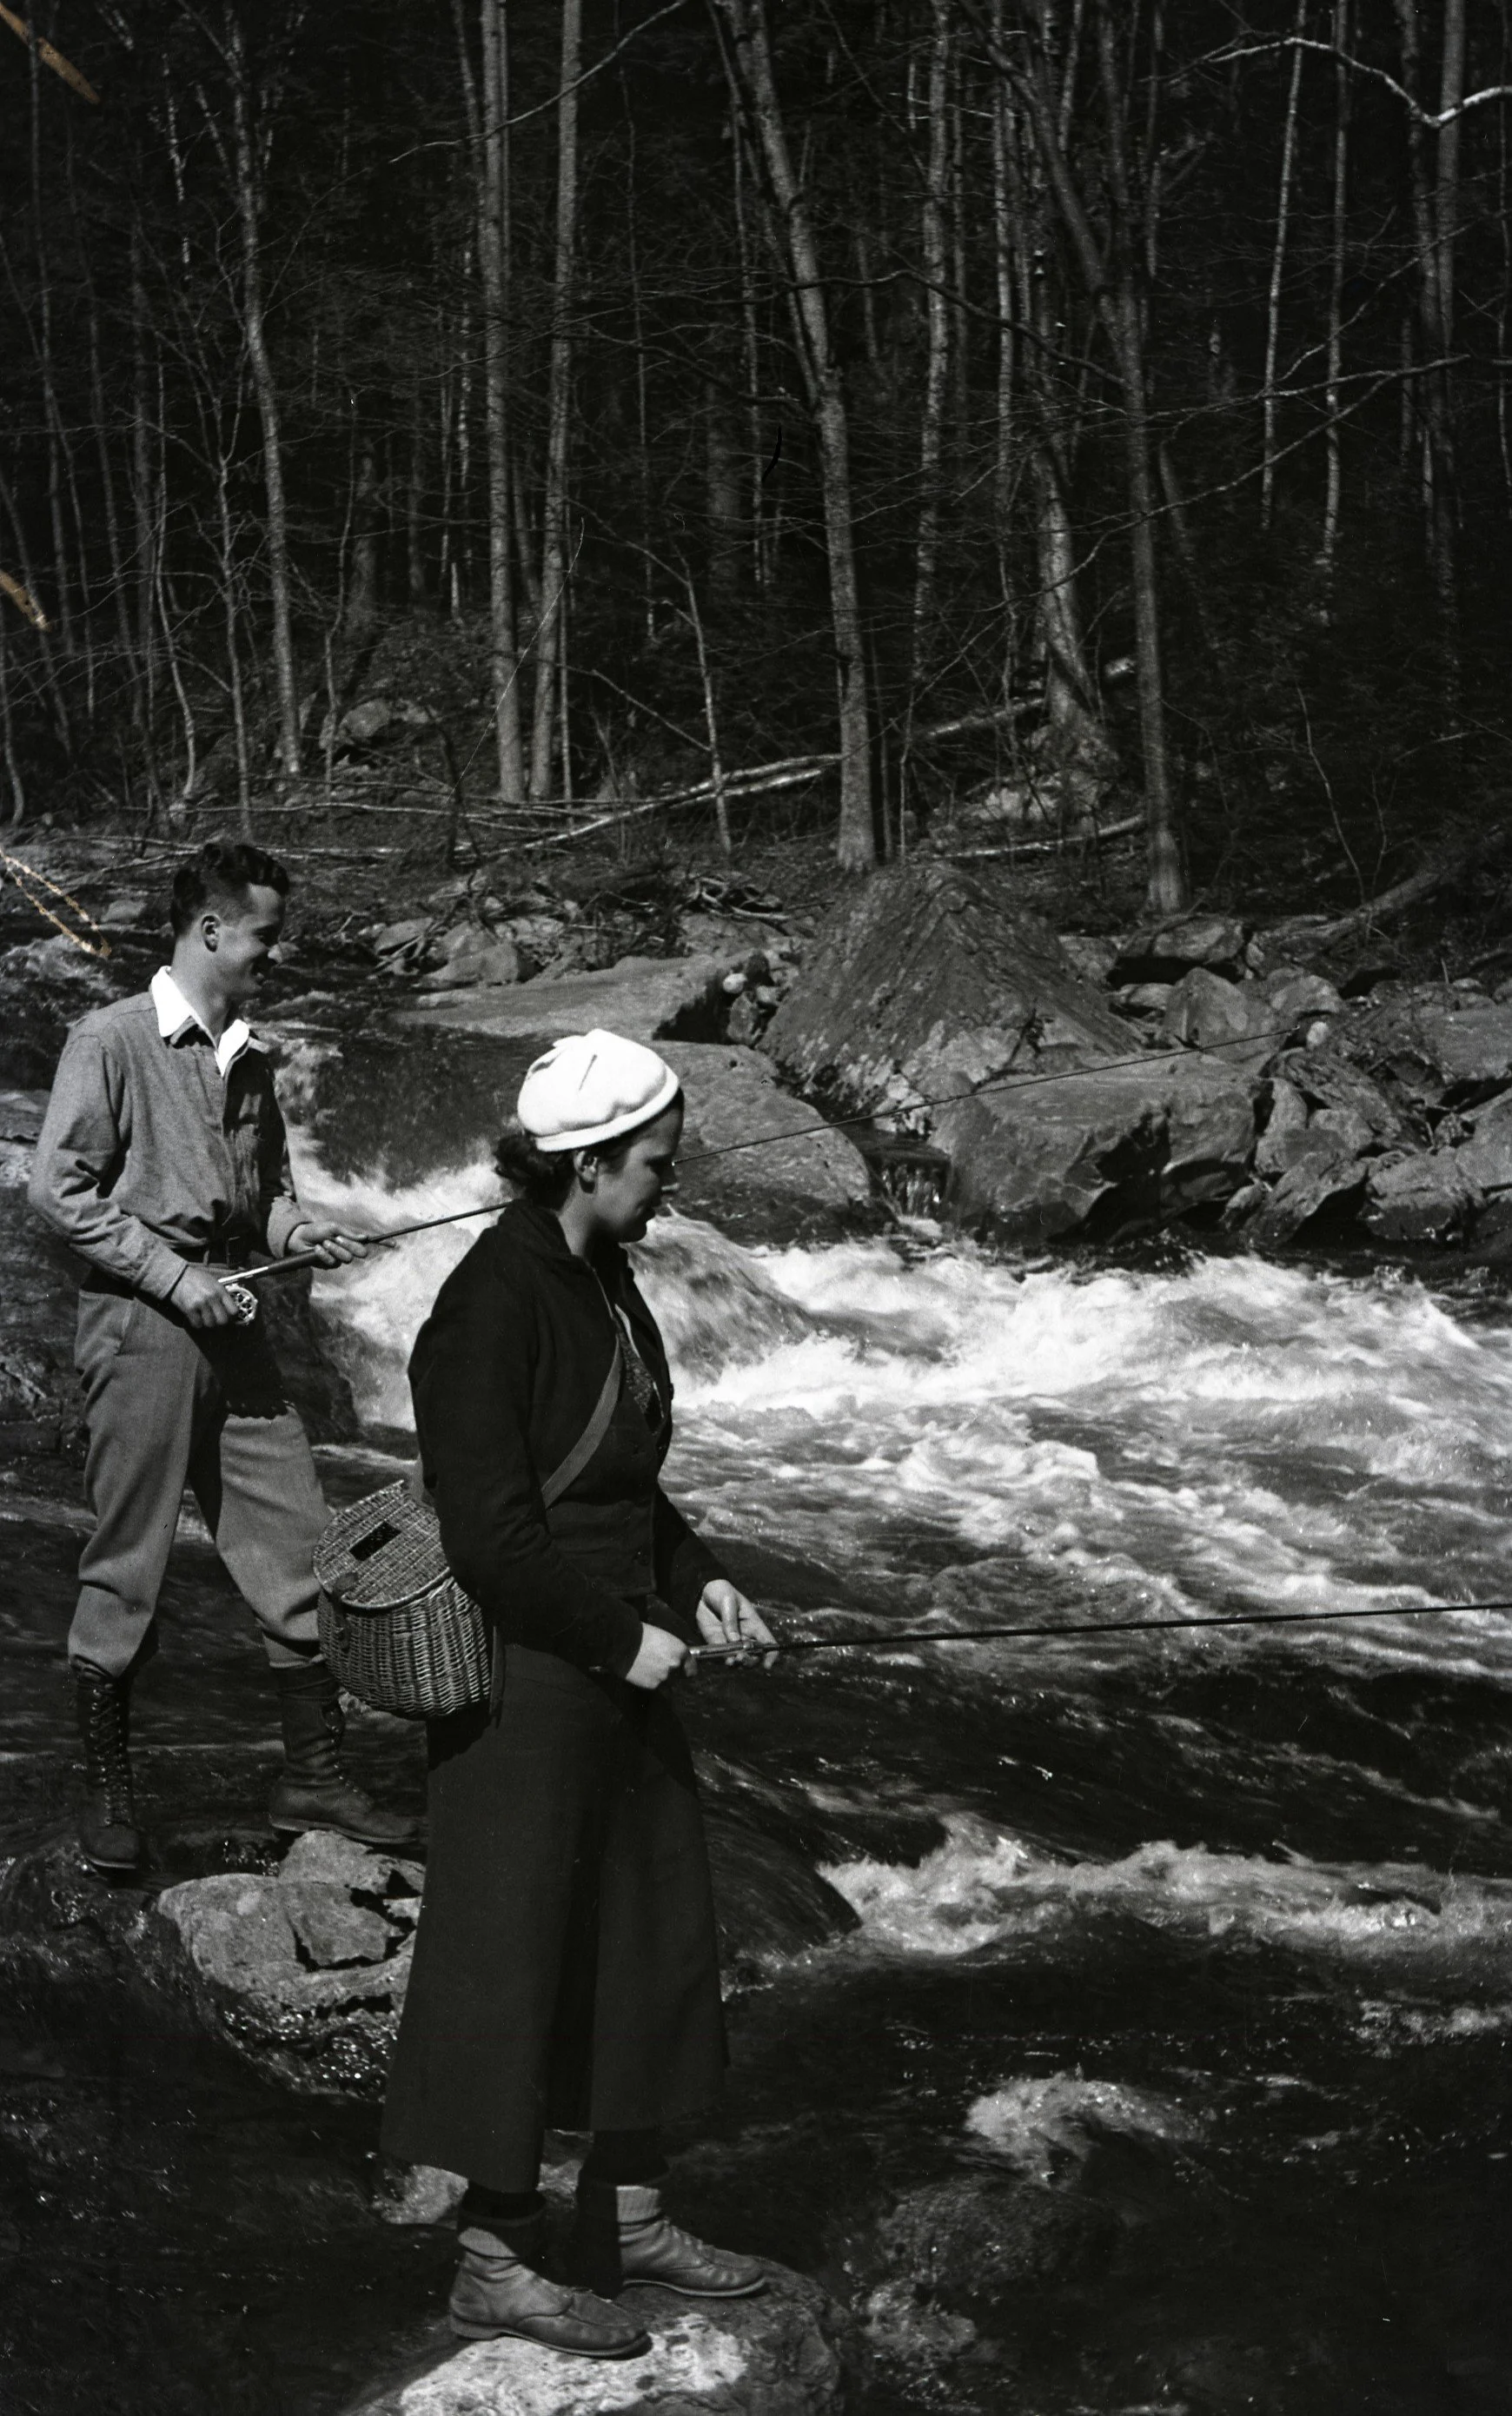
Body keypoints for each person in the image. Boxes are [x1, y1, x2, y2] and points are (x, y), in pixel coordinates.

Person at [381, 1027, 777, 2361]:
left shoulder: (603, 1272)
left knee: (650, 1933)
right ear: (590, 1161)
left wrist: (701, 1577)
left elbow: (620, 1476)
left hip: (621, 1648)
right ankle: (495, 2258)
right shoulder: (485, 1309)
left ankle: (633, 2216)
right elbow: (493, 1542)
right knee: (517, 1955)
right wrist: (622, 1642)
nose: (672, 1184)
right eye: (656, 1163)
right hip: (528, 1682)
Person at [29, 837, 417, 1875]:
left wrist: (305, 1237)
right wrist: (173, 1278)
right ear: (211, 929)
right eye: (264, 936)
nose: (272, 955)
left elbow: (269, 1196)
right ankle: (107, 1798)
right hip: (142, 1328)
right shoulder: (106, 1040)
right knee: (127, 1566)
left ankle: (314, 1776)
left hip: (236, 1323)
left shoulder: (252, 1056)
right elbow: (56, 1194)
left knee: (300, 1549)